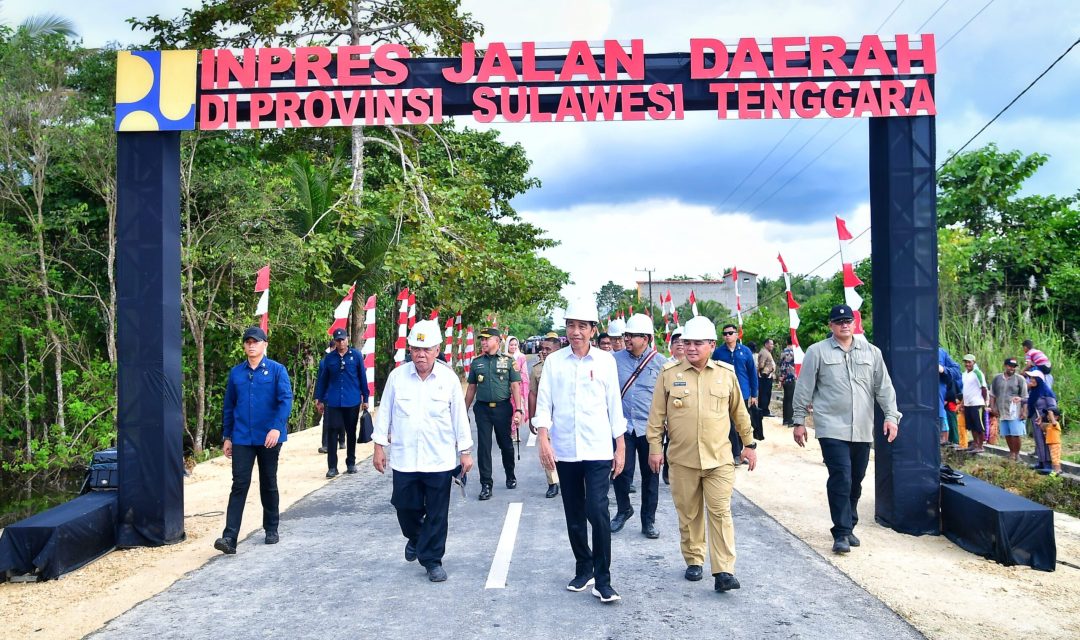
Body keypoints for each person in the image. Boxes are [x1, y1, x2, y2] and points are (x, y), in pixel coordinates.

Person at [647, 316, 757, 593]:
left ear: (711, 344)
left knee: (720, 513)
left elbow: (739, 413)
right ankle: (694, 559)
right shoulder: (670, 374)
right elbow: (657, 417)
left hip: (719, 459)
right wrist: (654, 449)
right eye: (687, 343)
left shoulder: (725, 374)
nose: (691, 348)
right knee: (689, 513)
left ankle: (723, 571)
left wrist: (749, 444)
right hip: (682, 460)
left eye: (698, 343)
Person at [533, 299, 626, 604]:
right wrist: (543, 439)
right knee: (573, 512)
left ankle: (603, 579)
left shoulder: (605, 362)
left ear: (592, 330)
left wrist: (620, 444)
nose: (575, 332)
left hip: (599, 447)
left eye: (582, 326)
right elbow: (544, 402)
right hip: (566, 449)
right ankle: (583, 567)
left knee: (596, 510)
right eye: (571, 325)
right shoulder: (555, 362)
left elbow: (614, 404)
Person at [791, 304, 901, 554]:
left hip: (862, 427)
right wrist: (799, 421)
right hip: (831, 426)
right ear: (831, 326)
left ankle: (849, 524)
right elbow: (804, 387)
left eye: (848, 321)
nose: (844, 325)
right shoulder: (817, 352)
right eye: (839, 321)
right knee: (841, 476)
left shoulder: (872, 352)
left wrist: (891, 416)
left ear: (855, 323)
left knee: (856, 480)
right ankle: (840, 532)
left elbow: (884, 388)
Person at [372, 320, 473, 583]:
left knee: (438, 513)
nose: (421, 355)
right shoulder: (397, 377)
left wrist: (465, 451)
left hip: (439, 459)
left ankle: (432, 560)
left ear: (437, 349)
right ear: (410, 349)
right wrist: (378, 446)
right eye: (416, 348)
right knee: (404, 507)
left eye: (426, 349)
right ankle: (415, 537)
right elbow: (385, 414)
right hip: (405, 459)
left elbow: (459, 417)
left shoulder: (448, 379)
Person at [214, 326, 294, 555]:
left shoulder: (277, 371)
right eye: (248, 342)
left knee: (268, 481)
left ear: (264, 345)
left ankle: (271, 527)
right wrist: (227, 436)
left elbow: (285, 400)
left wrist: (277, 428)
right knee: (239, 483)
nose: (251, 345)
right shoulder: (237, 373)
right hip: (242, 437)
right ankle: (229, 537)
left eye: (255, 342)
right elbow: (229, 406)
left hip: (268, 436)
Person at [611, 314, 665, 539]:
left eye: (633, 335)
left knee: (651, 476)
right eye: (627, 335)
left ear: (647, 338)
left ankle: (648, 520)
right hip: (623, 427)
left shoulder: (662, 363)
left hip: (650, 428)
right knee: (620, 471)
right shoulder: (614, 360)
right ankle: (624, 509)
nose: (628, 339)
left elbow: (668, 397)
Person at [465, 327, 524, 500]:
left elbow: (515, 386)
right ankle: (486, 484)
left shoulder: (509, 361)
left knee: (505, 444)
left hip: (502, 409)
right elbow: (471, 388)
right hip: (482, 409)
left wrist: (519, 410)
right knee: (484, 447)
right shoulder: (477, 362)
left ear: (497, 342)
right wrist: (463, 411)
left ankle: (510, 474)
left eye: (486, 339)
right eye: (481, 339)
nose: (483, 342)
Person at [315, 327, 369, 478]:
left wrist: (366, 397)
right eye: (338, 340)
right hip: (333, 401)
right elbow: (323, 379)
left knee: (351, 431)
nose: (341, 342)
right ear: (335, 341)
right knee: (332, 432)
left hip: (351, 400)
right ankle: (332, 466)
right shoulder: (330, 358)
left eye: (343, 339)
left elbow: (362, 378)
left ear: (348, 339)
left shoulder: (356, 355)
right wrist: (319, 400)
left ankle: (351, 462)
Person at [711, 324, 758, 464]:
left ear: (737, 335)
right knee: (729, 423)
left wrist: (754, 394)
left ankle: (743, 451)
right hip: (724, 392)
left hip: (742, 392)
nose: (727, 336)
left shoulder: (745, 351)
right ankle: (735, 453)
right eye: (725, 333)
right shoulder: (718, 353)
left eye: (730, 333)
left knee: (741, 422)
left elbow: (752, 373)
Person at [528, 332, 563, 498]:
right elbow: (532, 394)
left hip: (564, 414)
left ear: (558, 349)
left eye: (548, 349)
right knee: (547, 447)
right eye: (543, 348)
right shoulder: (537, 369)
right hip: (546, 415)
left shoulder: (568, 366)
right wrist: (531, 417)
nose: (544, 351)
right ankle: (553, 482)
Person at [989, 358, 1028, 461]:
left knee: (1015, 433)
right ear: (1005, 365)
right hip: (1002, 410)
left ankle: (1017, 454)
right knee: (1007, 433)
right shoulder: (997, 378)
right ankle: (1011, 452)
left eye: (1014, 367)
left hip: (1015, 410)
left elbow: (1025, 396)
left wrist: (1024, 411)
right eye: (1010, 366)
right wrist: (993, 407)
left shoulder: (1019, 379)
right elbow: (992, 394)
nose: (1012, 368)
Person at [1024, 369, 1057, 473]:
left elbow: (1053, 406)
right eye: (1030, 378)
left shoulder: (1046, 392)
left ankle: (1048, 463)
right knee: (1038, 441)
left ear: (1039, 380)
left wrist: (1044, 416)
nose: (1031, 380)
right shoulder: (1035, 391)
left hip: (1044, 421)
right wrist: (1020, 399)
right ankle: (1041, 462)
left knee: (1045, 441)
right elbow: (1031, 400)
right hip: (1036, 420)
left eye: (1033, 378)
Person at [960, 354, 988, 453]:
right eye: (966, 362)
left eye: (969, 362)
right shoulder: (964, 374)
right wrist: (962, 403)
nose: (967, 364)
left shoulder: (977, 373)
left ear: (974, 362)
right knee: (971, 426)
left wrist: (985, 402)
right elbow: (965, 390)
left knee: (979, 426)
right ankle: (975, 444)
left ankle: (980, 446)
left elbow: (983, 388)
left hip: (977, 403)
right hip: (968, 403)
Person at [507, 336, 530, 442]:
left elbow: (524, 373)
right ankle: (508, 431)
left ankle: (514, 432)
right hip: (506, 389)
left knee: (517, 409)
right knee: (508, 411)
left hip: (518, 389)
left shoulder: (521, 357)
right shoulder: (503, 357)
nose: (513, 347)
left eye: (515, 345)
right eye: (511, 345)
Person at [938, 348, 963, 445]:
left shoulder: (940, 352)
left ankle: (954, 442)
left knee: (951, 423)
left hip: (942, 406)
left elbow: (957, 371)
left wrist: (942, 369)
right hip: (914, 410)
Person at [778, 338, 798, 426]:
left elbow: (781, 364)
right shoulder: (794, 352)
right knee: (790, 399)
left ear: (786, 342)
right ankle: (790, 419)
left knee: (786, 399)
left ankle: (785, 419)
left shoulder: (783, 351)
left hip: (784, 378)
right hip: (790, 377)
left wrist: (781, 378)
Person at [756, 338, 776, 416]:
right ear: (766, 344)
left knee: (765, 394)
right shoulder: (764, 352)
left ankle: (763, 410)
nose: (772, 346)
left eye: (772, 344)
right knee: (765, 394)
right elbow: (761, 364)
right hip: (765, 376)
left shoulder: (766, 352)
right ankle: (764, 411)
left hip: (766, 376)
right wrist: (762, 372)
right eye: (771, 344)